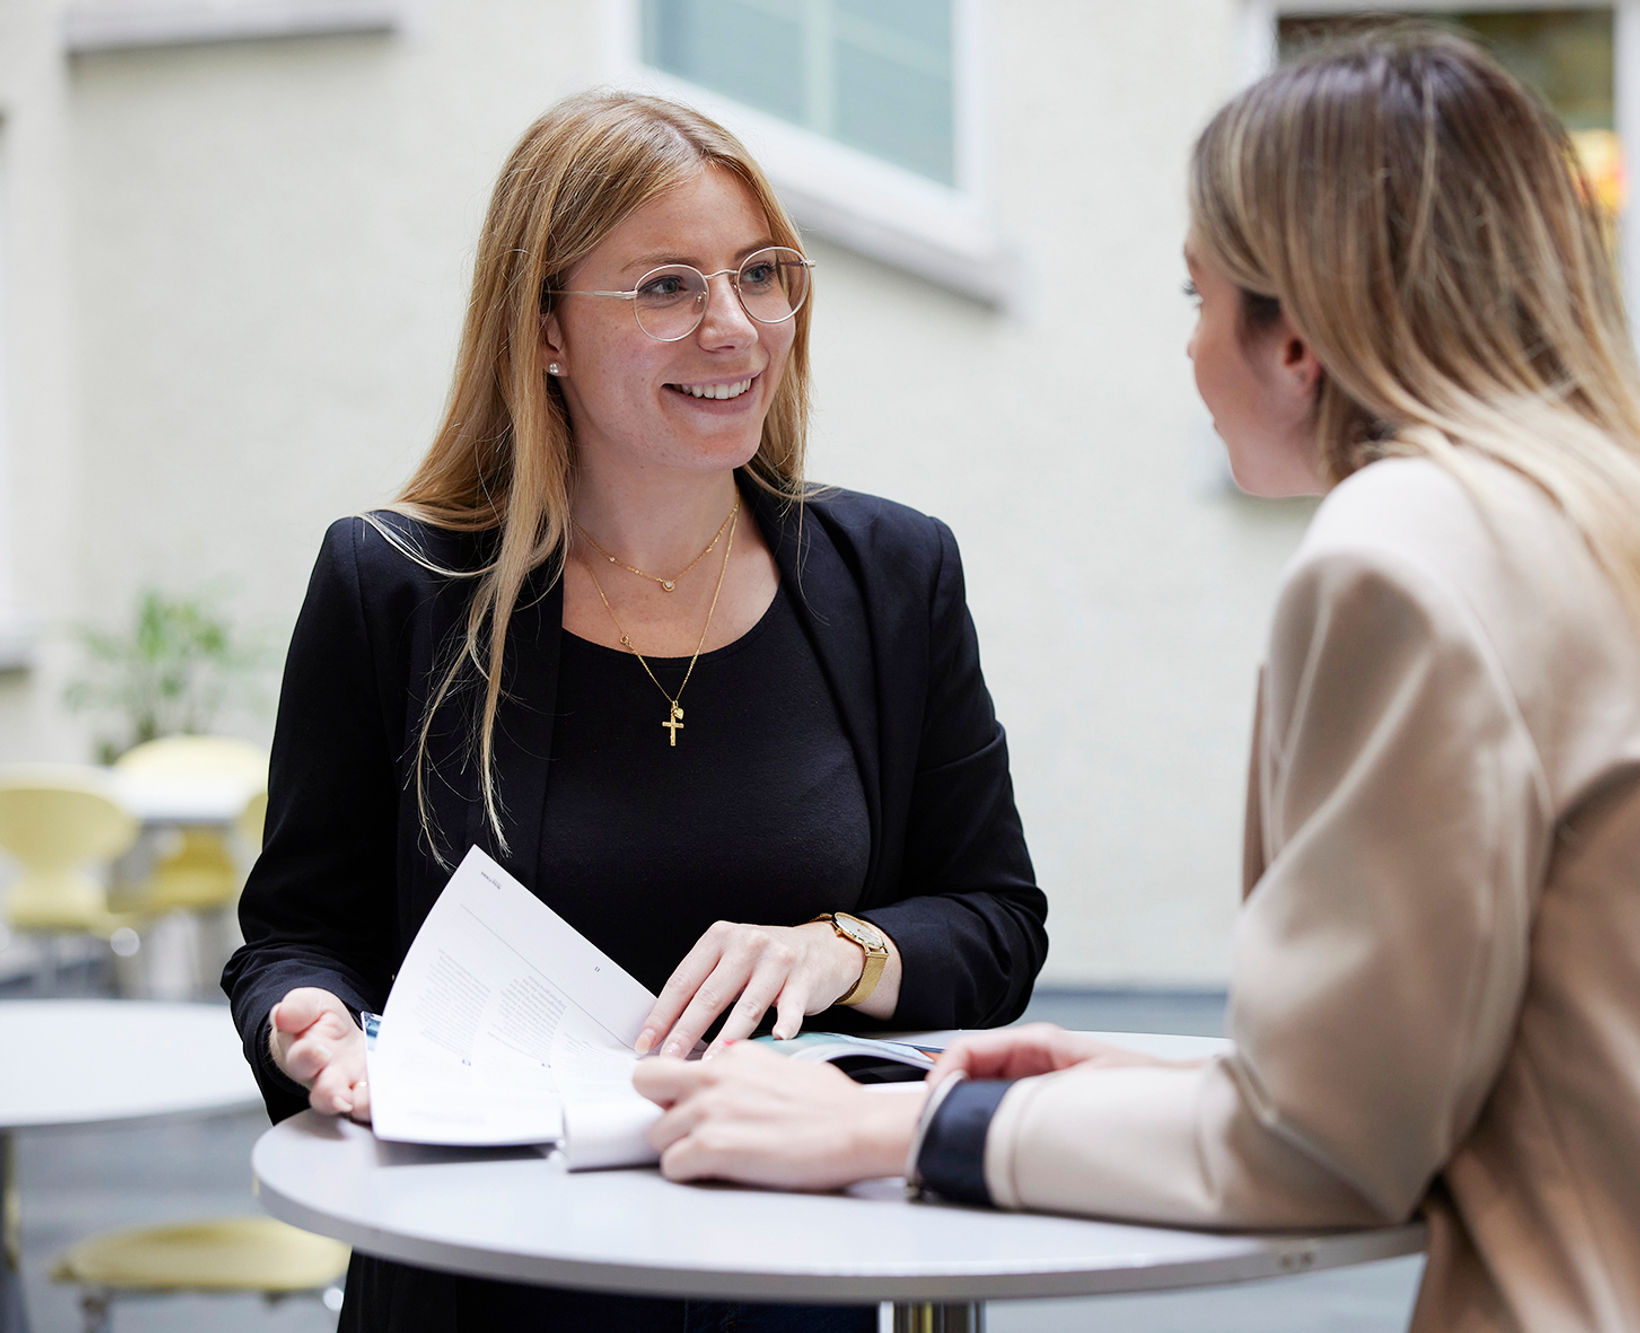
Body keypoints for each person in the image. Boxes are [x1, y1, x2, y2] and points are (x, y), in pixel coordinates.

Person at [623, 27, 1640, 1332]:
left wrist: (898, 1125)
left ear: (1294, 343)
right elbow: (1493, 1055)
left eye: (1196, 293)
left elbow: (1324, 1147)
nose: (1187, 345)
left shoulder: (1404, 555)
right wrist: (1188, 1087)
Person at [221, 90, 1046, 1333]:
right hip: (478, 1277)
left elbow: (995, 922)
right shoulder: (393, 587)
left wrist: (842, 946)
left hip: (787, 1274)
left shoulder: (892, 574)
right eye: (666, 287)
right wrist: (310, 1022)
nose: (736, 329)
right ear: (544, 328)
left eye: (761, 275)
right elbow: (293, 935)